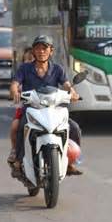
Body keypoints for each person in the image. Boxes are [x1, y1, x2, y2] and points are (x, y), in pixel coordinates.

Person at [9, 35, 84, 176]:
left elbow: (67, 85)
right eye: (38, 48)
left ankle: (70, 162)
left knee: (74, 128)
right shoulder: (24, 68)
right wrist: (14, 92)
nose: (41, 51)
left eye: (44, 48)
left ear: (51, 51)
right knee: (20, 127)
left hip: (53, 110)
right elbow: (15, 84)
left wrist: (73, 93)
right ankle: (18, 161)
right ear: (33, 51)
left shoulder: (58, 69)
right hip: (31, 110)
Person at [7, 47, 34, 164]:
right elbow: (14, 87)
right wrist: (15, 92)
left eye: (32, 58)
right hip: (26, 109)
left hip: (47, 108)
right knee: (15, 127)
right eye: (26, 59)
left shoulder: (51, 70)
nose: (29, 61)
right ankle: (15, 151)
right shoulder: (22, 72)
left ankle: (69, 160)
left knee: (70, 127)